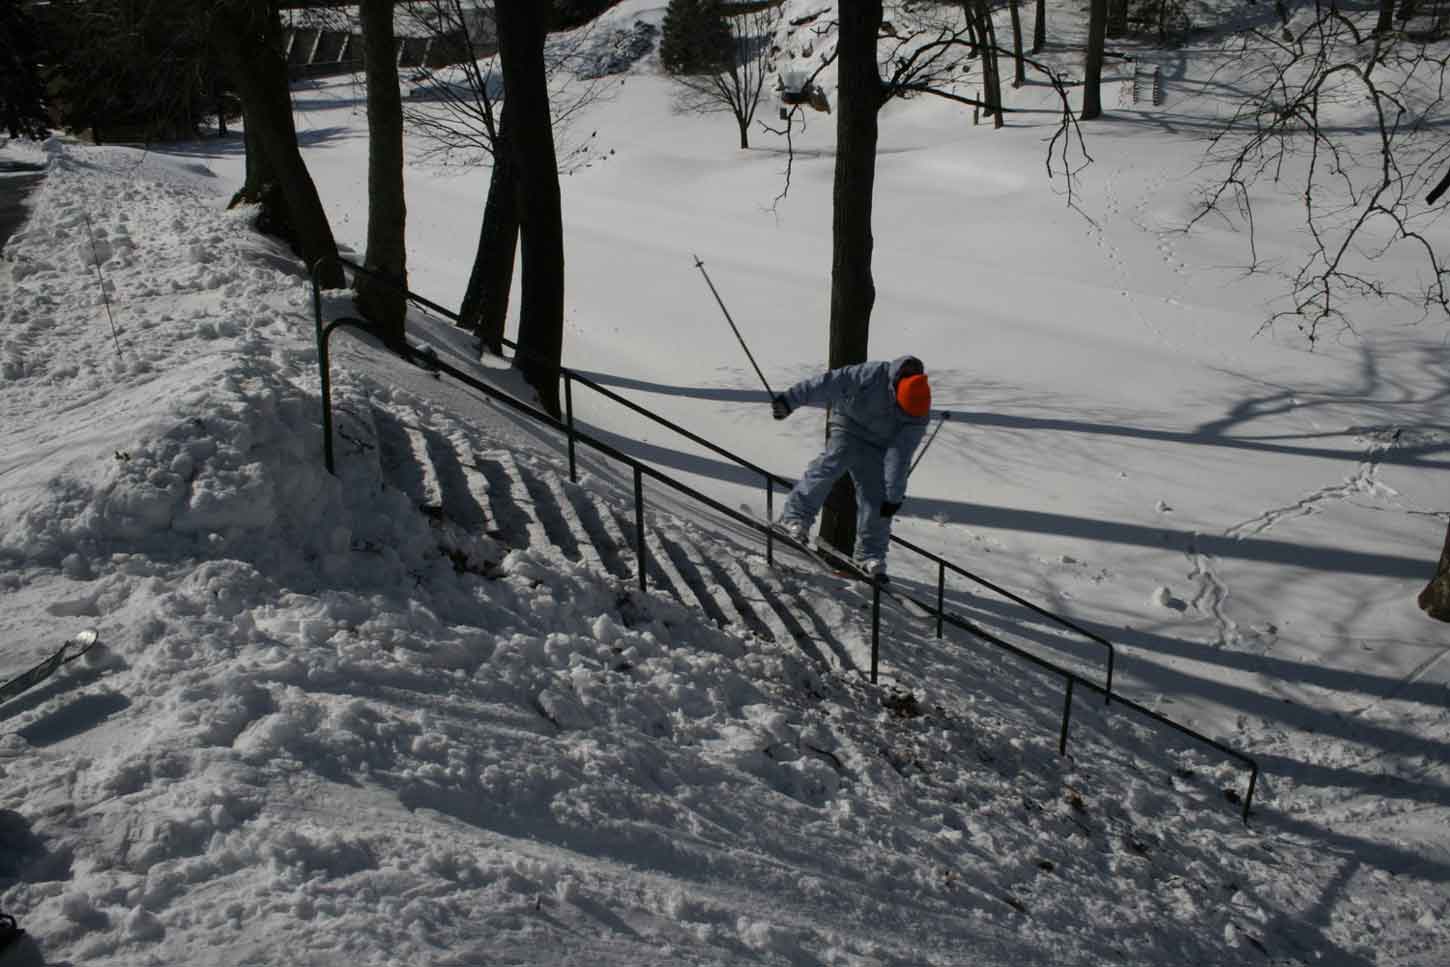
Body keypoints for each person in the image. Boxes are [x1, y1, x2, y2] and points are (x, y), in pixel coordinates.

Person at [771, 355, 931, 579]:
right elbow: (829, 383)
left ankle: (869, 555)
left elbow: (900, 455)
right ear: (897, 393)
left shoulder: (918, 413)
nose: (905, 416)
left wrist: (893, 497)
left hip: (877, 446)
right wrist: (789, 400)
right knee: (832, 463)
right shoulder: (873, 374)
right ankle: (794, 518)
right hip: (849, 424)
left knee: (877, 497)